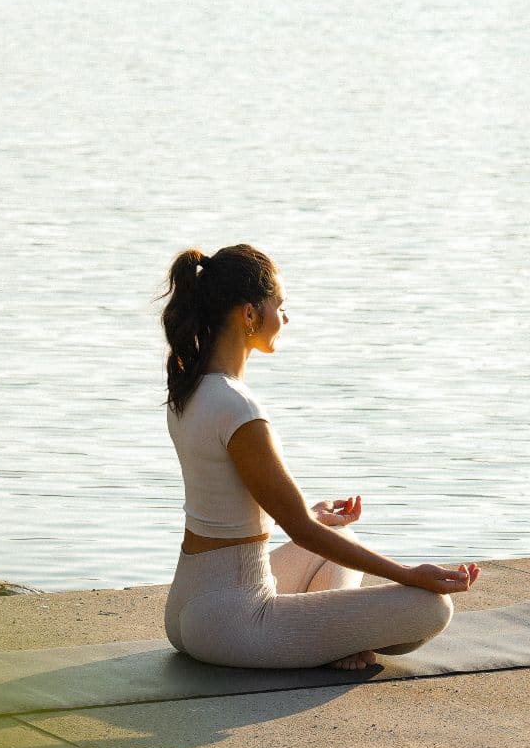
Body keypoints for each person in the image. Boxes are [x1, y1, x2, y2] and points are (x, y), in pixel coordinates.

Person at [160, 244, 476, 672]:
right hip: (234, 624)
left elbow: (226, 507)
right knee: (431, 609)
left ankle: (323, 636)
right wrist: (407, 574)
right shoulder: (238, 407)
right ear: (249, 314)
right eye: (279, 306)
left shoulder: (190, 391)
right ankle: (326, 640)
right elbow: (301, 531)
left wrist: (309, 514)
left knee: (341, 541)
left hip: (189, 607)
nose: (285, 319)